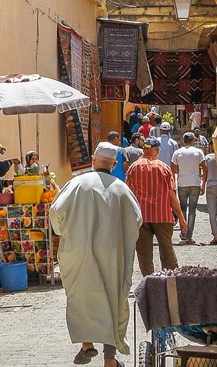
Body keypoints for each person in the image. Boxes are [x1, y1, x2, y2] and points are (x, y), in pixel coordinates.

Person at [50, 142, 142, 367]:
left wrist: (64, 232)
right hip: (113, 253)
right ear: (114, 164)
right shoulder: (121, 188)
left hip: (79, 251)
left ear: (93, 159)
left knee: (82, 298)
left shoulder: (77, 184)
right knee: (113, 300)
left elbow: (55, 212)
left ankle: (87, 344)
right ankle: (109, 360)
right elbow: (136, 219)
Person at [127, 137, 188, 276]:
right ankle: (171, 281)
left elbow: (128, 194)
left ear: (144, 149)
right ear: (156, 150)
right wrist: (181, 218)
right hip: (162, 215)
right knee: (167, 250)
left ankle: (148, 282)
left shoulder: (133, 167)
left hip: (141, 217)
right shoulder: (164, 168)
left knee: (144, 253)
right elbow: (172, 196)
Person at [171, 132, 207, 245]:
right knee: (192, 210)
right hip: (195, 183)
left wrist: (173, 184)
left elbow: (172, 169)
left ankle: (184, 232)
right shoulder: (198, 152)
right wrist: (203, 184)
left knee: (182, 209)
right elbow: (205, 169)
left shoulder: (177, 153)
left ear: (183, 141)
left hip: (182, 183)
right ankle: (189, 235)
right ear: (193, 141)